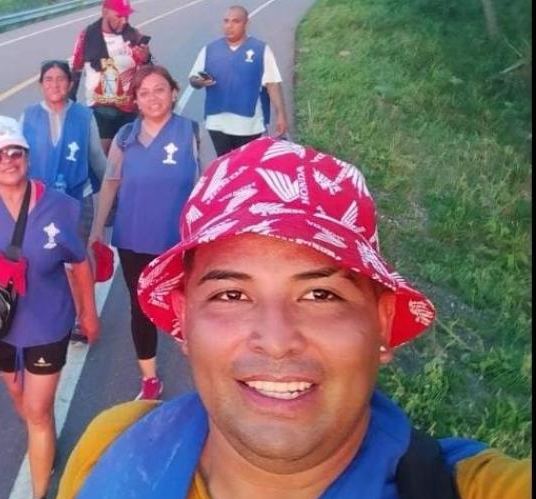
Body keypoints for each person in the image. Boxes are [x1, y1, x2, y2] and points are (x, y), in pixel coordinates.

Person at [59, 137, 532, 499]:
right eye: (231, 294)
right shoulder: (110, 444)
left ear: (383, 322)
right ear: (184, 320)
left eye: (320, 294)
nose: (277, 339)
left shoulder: (468, 486)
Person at [0, 115, 101, 499]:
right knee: (21, 399)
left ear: (28, 157)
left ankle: (39, 488)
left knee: (36, 409)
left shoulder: (61, 207)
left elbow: (79, 263)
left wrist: (88, 313)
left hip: (48, 323)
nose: (8, 160)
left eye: (16, 152)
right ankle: (42, 433)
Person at [89, 65, 201, 401]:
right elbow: (110, 185)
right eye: (144, 93)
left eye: (160, 90)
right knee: (141, 307)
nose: (153, 98)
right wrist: (97, 231)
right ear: (135, 100)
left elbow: (210, 185)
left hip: (178, 239)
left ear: (174, 92)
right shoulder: (125, 138)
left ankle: (199, 354)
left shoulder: (192, 133)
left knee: (189, 301)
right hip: (133, 238)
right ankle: (150, 379)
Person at [20, 60, 107, 344]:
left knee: (79, 258)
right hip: (40, 203)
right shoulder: (28, 116)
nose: (55, 84)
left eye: (61, 79)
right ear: (40, 84)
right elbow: (18, 161)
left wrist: (114, 189)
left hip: (77, 199)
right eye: (49, 79)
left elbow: (96, 157)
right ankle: (62, 313)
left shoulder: (84, 116)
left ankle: (85, 313)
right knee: (46, 259)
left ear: (70, 84)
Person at [189, 5, 289, 158]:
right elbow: (193, 79)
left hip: (249, 126)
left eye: (235, 21)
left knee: (247, 168)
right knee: (224, 166)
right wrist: (199, 82)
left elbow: (272, 84)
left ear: (246, 24)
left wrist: (281, 115)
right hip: (217, 123)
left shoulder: (261, 49)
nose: (229, 26)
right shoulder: (209, 49)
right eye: (226, 21)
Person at [69, 0, 152, 156]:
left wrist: (147, 59)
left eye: (127, 16)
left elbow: (150, 73)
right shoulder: (87, 36)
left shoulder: (134, 35)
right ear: (104, 12)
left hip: (131, 109)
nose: (124, 21)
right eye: (119, 16)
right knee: (105, 162)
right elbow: (76, 69)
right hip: (101, 108)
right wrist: (70, 104)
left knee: (133, 158)